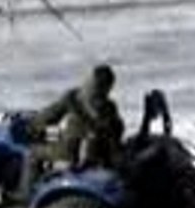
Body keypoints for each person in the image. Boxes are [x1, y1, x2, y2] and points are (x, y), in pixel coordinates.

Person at [16, 64, 125, 200]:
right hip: (100, 154)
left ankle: (25, 196)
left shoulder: (73, 98)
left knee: (31, 153)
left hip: (70, 152)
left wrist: (33, 126)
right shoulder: (110, 106)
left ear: (90, 80)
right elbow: (119, 129)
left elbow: (48, 117)